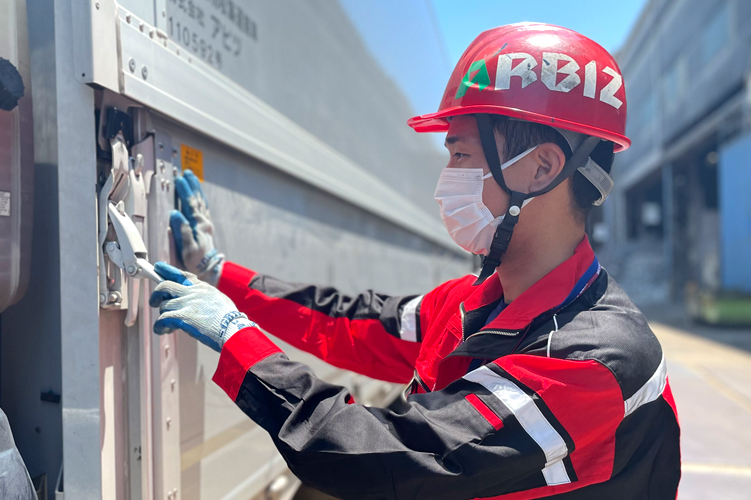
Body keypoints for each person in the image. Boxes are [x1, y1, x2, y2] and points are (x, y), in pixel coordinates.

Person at [149, 23, 680, 499]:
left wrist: (238, 340)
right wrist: (219, 273)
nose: (446, 182)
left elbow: (388, 458)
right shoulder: (473, 304)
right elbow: (345, 320)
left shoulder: (593, 361)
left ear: (541, 168)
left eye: (462, 156)